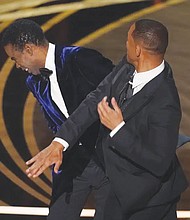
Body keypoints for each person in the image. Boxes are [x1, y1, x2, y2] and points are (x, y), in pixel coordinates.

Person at [23, 19, 188, 220]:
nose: (124, 43)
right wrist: (60, 142)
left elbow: (158, 162)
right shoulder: (127, 66)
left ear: (138, 50)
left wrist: (118, 128)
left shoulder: (166, 102)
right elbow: (95, 98)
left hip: (148, 201)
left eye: (127, 40)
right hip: (116, 188)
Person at [1, 19, 115, 220]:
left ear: (28, 49)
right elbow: (54, 120)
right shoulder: (33, 81)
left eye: (14, 58)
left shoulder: (80, 58)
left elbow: (119, 91)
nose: (17, 65)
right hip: (71, 162)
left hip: (107, 161)